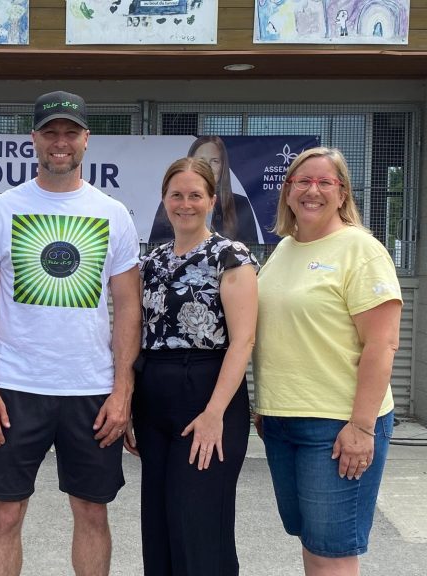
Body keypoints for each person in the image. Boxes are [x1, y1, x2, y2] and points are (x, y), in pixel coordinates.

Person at [0, 90, 141, 576]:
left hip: (90, 389)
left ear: (86, 140)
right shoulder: (0, 210)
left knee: (91, 512)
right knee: (5, 514)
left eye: (69, 132)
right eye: (49, 132)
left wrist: (123, 390)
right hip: (16, 388)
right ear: (34, 140)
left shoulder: (113, 213)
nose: (59, 142)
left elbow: (128, 305)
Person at [253, 147, 402, 576]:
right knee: (312, 542)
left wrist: (361, 427)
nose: (312, 190)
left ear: (342, 194)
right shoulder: (283, 250)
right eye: (302, 181)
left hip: (337, 423)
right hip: (282, 419)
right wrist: (266, 405)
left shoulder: (361, 250)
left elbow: (382, 345)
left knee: (332, 551)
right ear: (287, 191)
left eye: (324, 182)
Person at [131, 157, 258, 575]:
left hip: (207, 389)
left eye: (195, 195)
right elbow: (138, 335)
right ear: (164, 200)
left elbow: (243, 340)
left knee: (199, 523)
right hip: (154, 394)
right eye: (176, 195)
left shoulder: (230, 256)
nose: (185, 203)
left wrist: (215, 413)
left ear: (211, 201)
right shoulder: (150, 261)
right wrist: (130, 404)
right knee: (160, 522)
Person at [149, 135, 260, 244]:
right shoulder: (171, 203)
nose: (207, 166)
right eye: (201, 161)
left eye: (215, 161)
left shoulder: (241, 204)